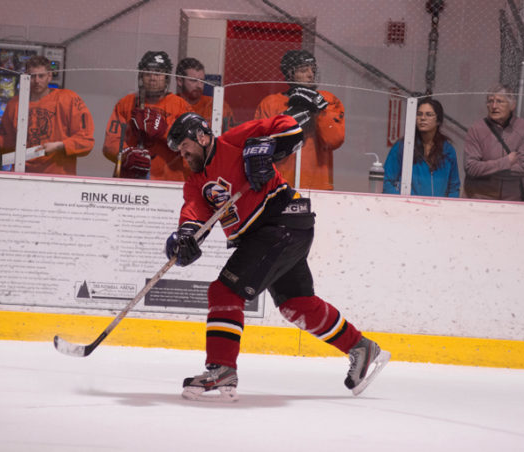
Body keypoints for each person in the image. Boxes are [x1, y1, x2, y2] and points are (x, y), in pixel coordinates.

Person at [164, 112, 390, 402]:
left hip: (281, 222)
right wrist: (185, 238)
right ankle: (361, 347)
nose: (181, 153)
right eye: (178, 149)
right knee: (295, 304)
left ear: (202, 136)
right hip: (277, 233)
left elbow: (290, 127)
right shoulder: (195, 182)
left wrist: (266, 148)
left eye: (184, 145)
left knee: (224, 291)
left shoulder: (234, 141)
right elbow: (194, 214)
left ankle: (221, 368)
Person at [254, 49, 345, 190]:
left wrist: (320, 111)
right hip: (281, 185)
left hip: (319, 185)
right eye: (303, 70)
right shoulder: (270, 103)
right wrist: (289, 119)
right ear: (290, 73)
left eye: (313, 70)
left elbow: (334, 141)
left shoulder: (328, 100)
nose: (310, 75)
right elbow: (261, 147)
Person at [102, 51, 192, 181]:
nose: (152, 78)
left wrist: (165, 131)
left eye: (158, 73)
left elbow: (193, 146)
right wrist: (126, 155)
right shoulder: (126, 103)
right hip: (130, 180)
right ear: (141, 75)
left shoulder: (181, 107)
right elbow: (110, 143)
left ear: (166, 77)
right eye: (148, 73)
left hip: (168, 182)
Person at [0, 55, 94, 175]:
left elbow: (86, 142)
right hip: (22, 175)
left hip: (58, 176)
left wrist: (60, 146)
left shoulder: (68, 99)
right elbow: (5, 142)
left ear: (49, 76)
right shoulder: (14, 104)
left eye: (41, 76)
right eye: (32, 76)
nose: (37, 81)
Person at [463, 84, 524, 200]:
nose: (494, 106)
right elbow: (471, 168)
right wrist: (506, 162)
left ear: (512, 105)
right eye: (490, 101)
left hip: (511, 199)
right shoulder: (476, 129)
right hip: (480, 198)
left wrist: (486, 169)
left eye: (500, 101)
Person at [383, 98, 460, 197]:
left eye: (429, 114)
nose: (422, 118)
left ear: (438, 121)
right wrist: (403, 203)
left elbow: (454, 187)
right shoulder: (403, 146)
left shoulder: (448, 150)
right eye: (419, 114)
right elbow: (386, 181)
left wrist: (446, 209)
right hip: (408, 209)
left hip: (438, 210)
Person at [175, 57, 235, 133]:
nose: (199, 86)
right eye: (193, 81)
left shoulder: (218, 105)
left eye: (202, 81)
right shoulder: (171, 105)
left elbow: (231, 135)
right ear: (180, 81)